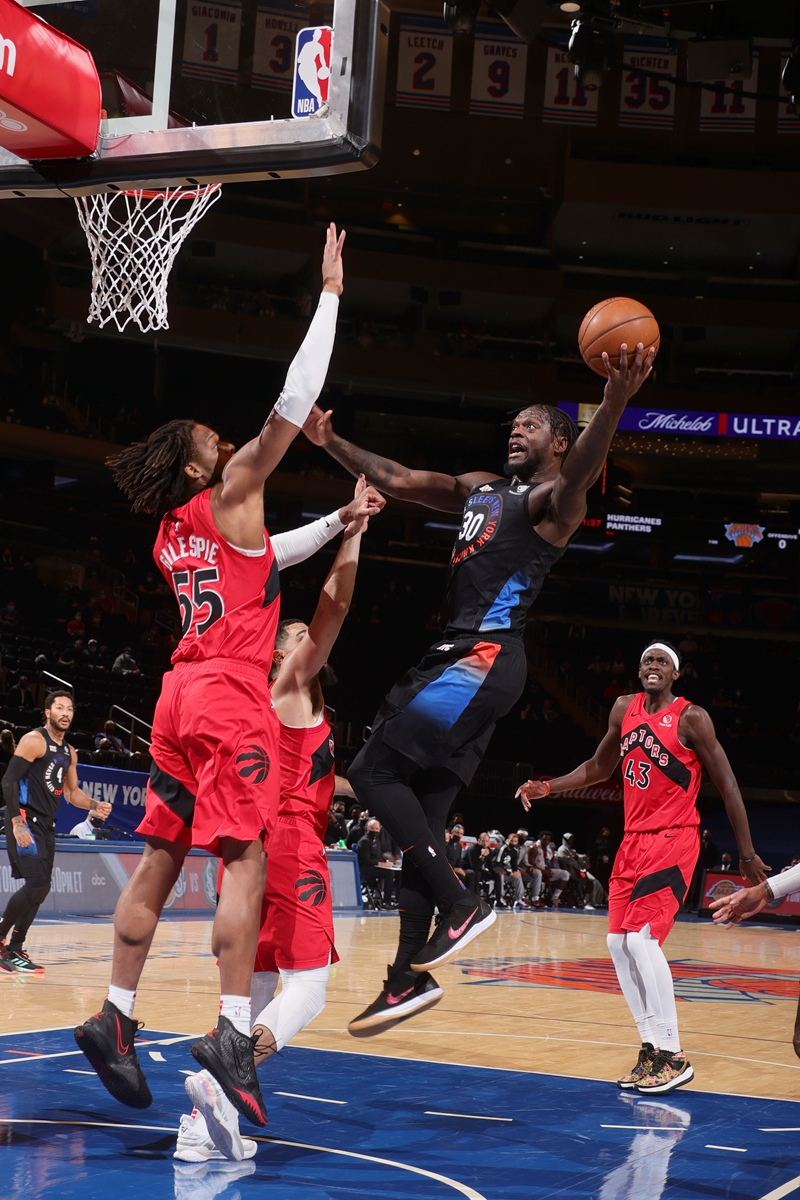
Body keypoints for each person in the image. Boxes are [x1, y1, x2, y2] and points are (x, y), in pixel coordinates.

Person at [74, 224, 353, 1126]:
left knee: (158, 854)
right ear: (203, 464)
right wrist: (332, 297)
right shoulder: (234, 483)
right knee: (245, 856)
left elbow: (269, 554)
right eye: (217, 440)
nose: (231, 442)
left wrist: (341, 521)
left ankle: (114, 1015)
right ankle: (234, 1030)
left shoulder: (173, 531)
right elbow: (294, 396)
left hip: (174, 694)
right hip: (230, 694)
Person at [305, 338, 656, 1031]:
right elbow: (399, 477)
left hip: (482, 657)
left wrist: (612, 401)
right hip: (470, 663)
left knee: (374, 770)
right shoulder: (477, 488)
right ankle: (405, 978)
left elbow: (583, 471)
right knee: (424, 823)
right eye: (513, 426)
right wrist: (330, 441)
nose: (515, 433)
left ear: (560, 440)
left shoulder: (555, 503)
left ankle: (462, 905)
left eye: (530, 426)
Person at [178, 476, 377, 1160]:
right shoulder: (288, 685)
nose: (302, 639)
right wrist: (352, 531)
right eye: (291, 636)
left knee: (251, 995)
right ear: (282, 654)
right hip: (292, 846)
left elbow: (317, 775)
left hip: (256, 849)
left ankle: (203, 1132)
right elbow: (336, 605)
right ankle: (233, 1070)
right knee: (313, 991)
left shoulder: (268, 699)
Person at [516, 639, 768, 1095]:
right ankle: (651, 1048)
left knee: (642, 938)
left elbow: (728, 785)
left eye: (662, 662)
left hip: (674, 838)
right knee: (617, 942)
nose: (653, 666)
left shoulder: (692, 718)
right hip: (633, 842)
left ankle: (675, 1055)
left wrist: (747, 854)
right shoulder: (622, 709)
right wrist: (548, 787)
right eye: (647, 661)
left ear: (676, 674)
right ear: (639, 672)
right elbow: (598, 766)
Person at [0, 691, 112, 974]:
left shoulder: (69, 752)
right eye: (59, 707)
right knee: (36, 883)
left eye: (70, 709)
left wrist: (95, 805)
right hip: (25, 820)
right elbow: (9, 780)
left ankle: (14, 948)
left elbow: (73, 794)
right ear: (47, 712)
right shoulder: (34, 741)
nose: (65, 713)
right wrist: (16, 821)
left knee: (43, 887)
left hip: (47, 824)